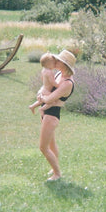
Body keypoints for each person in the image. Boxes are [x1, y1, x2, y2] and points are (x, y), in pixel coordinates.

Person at [36, 50, 76, 181]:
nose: (55, 62)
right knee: (51, 145)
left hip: (52, 115)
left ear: (64, 64)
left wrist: (42, 97)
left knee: (43, 147)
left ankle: (57, 174)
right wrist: (40, 93)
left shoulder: (67, 83)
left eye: (58, 60)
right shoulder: (59, 74)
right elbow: (46, 86)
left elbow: (49, 99)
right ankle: (54, 169)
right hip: (46, 113)